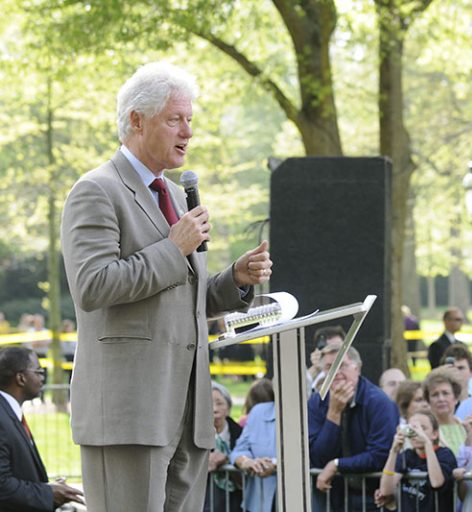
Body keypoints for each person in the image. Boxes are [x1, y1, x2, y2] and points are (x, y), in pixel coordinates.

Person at [59, 62, 273, 511]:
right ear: (136, 120)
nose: (188, 131)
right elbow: (93, 286)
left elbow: (183, 296)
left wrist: (234, 279)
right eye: (175, 119)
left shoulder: (175, 195)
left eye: (190, 119)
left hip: (188, 412)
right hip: (130, 412)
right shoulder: (96, 190)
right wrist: (174, 249)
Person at [309, 345, 399, 510]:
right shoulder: (316, 402)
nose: (336, 373)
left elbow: (380, 455)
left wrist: (337, 464)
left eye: (342, 365)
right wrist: (334, 412)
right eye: (329, 367)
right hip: (331, 497)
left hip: (372, 497)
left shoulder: (379, 402)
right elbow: (318, 457)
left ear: (357, 368)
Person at [0, 347, 84, 511]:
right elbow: (2, 485)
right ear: (21, 378)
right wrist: (48, 493)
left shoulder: (9, 412)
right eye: (38, 371)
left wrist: (48, 487)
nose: (42, 377)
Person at [376, 410, 457, 512]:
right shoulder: (407, 455)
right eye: (413, 429)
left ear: (435, 434)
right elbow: (385, 490)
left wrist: (427, 443)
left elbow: (436, 483)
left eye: (423, 428)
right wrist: (393, 451)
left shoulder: (445, 454)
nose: (417, 433)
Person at [231, 379, 277, 512]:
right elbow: (239, 450)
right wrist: (247, 462)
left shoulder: (308, 410)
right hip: (259, 503)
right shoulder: (258, 412)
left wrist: (276, 464)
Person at [204, 382, 243, 512]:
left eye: (220, 403)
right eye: (209, 404)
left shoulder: (240, 433)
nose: (214, 409)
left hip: (235, 503)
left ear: (228, 408)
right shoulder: (194, 436)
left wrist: (228, 459)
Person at [423, 367, 467, 456]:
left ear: (456, 398)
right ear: (428, 401)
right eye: (435, 395)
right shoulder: (424, 430)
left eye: (445, 393)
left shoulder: (466, 428)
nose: (441, 399)